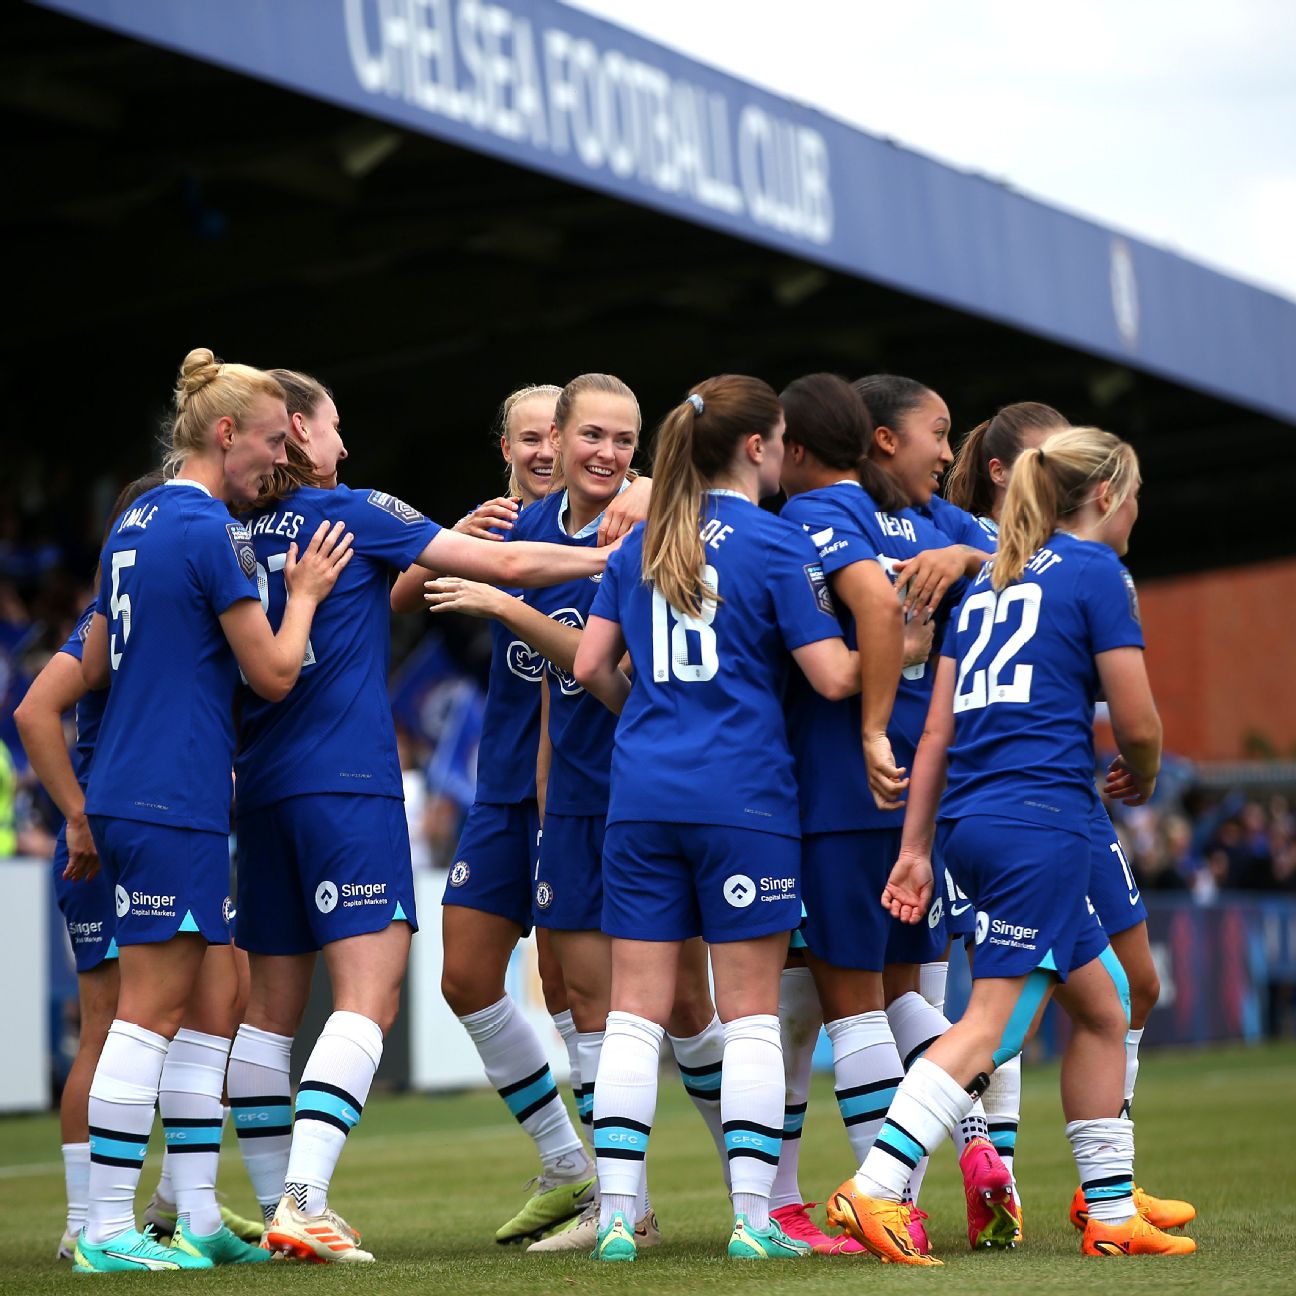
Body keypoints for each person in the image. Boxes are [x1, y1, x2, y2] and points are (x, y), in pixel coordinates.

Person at [228, 368, 619, 1264]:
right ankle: (300, 1199)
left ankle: (256, 1208)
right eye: (333, 426)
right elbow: (507, 567)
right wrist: (618, 557)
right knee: (371, 995)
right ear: (296, 430)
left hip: (266, 785)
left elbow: (379, 598)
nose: (347, 444)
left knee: (269, 1011)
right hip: (350, 781)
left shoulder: (231, 524)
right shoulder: (356, 510)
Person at [827, 426, 1196, 1262]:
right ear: (1107, 496)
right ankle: (876, 1190)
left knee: (1103, 1007)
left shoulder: (988, 580)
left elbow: (937, 737)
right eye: (1134, 494)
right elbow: (1135, 722)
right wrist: (1143, 769)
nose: (1136, 511)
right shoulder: (1099, 571)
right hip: (1046, 820)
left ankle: (1107, 1211)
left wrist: (916, 849)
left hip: (972, 821)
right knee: (991, 1026)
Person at [424, 374, 730, 1253]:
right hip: (535, 789)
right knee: (502, 980)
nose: (601, 454)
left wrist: (509, 596)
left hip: (640, 788)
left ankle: (752, 1192)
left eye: (622, 440)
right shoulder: (517, 527)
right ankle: (591, 1178)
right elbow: (410, 586)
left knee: (675, 1000)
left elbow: (606, 677)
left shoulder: (644, 520)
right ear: (540, 444)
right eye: (577, 436)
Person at [73, 349, 354, 1274]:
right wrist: (306, 594)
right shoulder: (207, 531)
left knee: (205, 1007)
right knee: (148, 1015)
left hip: (140, 786)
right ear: (225, 433)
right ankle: (109, 1229)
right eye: (273, 442)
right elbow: (274, 674)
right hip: (170, 792)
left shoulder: (135, 520)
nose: (281, 461)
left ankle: (194, 1213)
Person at [390, 385, 648, 1247]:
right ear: (504, 446)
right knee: (464, 974)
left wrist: (640, 496)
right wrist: (449, 541)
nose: (546, 451)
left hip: (590, 790)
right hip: (506, 784)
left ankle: (650, 1200)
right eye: (530, 438)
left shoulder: (622, 521)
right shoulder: (501, 533)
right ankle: (571, 1166)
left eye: (557, 436)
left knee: (611, 994)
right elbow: (398, 598)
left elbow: (651, 495)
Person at [937, 401, 1187, 1237]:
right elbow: (1136, 719)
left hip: (1061, 804)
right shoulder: (1019, 554)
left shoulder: (1010, 559)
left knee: (1129, 990)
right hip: (1027, 806)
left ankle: (1106, 1188)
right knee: (1007, 1022)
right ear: (1013, 473)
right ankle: (899, 1169)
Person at [777, 373, 1004, 1253]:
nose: (948, 453)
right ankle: (980, 1144)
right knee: (903, 993)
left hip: (842, 781)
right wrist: (974, 558)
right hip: (924, 792)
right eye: (936, 433)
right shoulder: (942, 527)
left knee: (847, 1006)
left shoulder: (817, 519)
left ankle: (887, 1196)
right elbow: (1042, 554)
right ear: (881, 440)